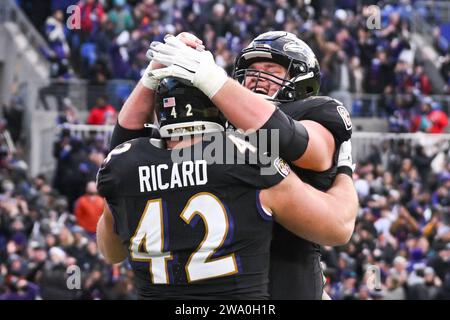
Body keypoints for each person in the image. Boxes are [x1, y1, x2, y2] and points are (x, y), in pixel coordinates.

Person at [96, 77, 357, 299]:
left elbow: (111, 251)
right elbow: (338, 226)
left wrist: (148, 77)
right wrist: (344, 169)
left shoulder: (123, 165)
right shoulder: (245, 155)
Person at [147, 31, 358, 299]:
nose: (257, 78)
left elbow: (303, 146)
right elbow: (133, 151)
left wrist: (212, 80)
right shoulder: (216, 117)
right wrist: (151, 79)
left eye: (271, 69)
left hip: (288, 277)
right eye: (251, 71)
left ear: (301, 80)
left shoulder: (315, 111)